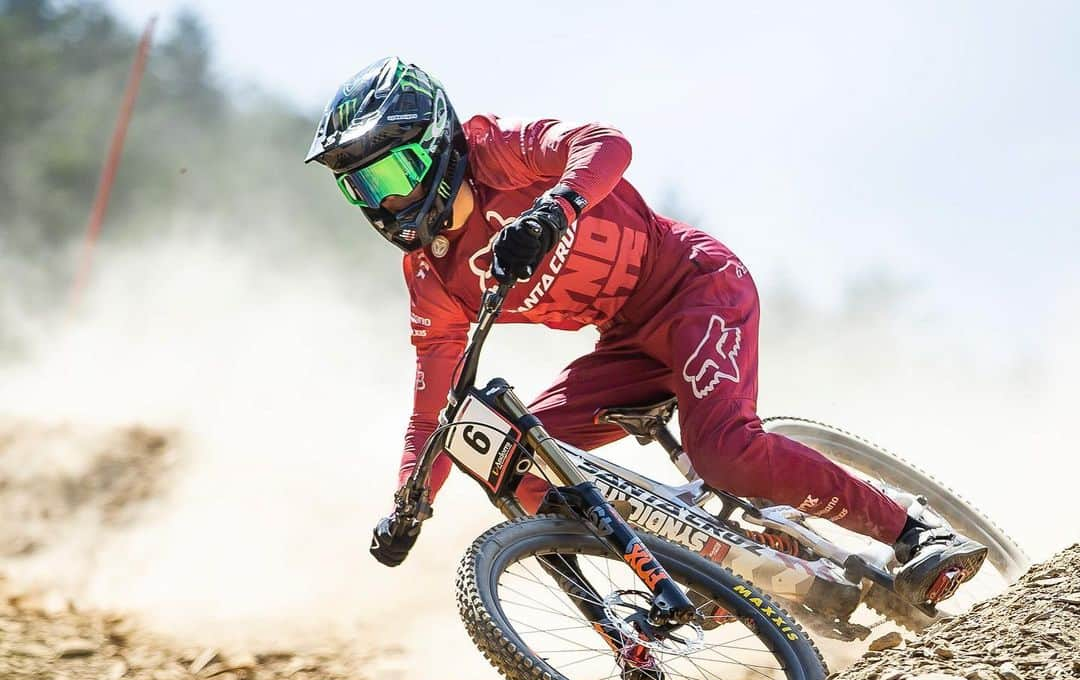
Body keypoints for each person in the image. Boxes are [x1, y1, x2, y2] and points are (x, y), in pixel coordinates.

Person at [305, 57, 986, 606]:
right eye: (360, 188)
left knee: (723, 450)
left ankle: (911, 530)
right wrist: (410, 502)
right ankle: (717, 569)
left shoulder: (495, 151)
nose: (385, 202)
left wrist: (552, 210)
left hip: (696, 286)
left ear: (439, 144)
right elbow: (436, 412)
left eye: (392, 173)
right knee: (514, 462)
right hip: (626, 342)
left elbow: (606, 143)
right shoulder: (430, 276)